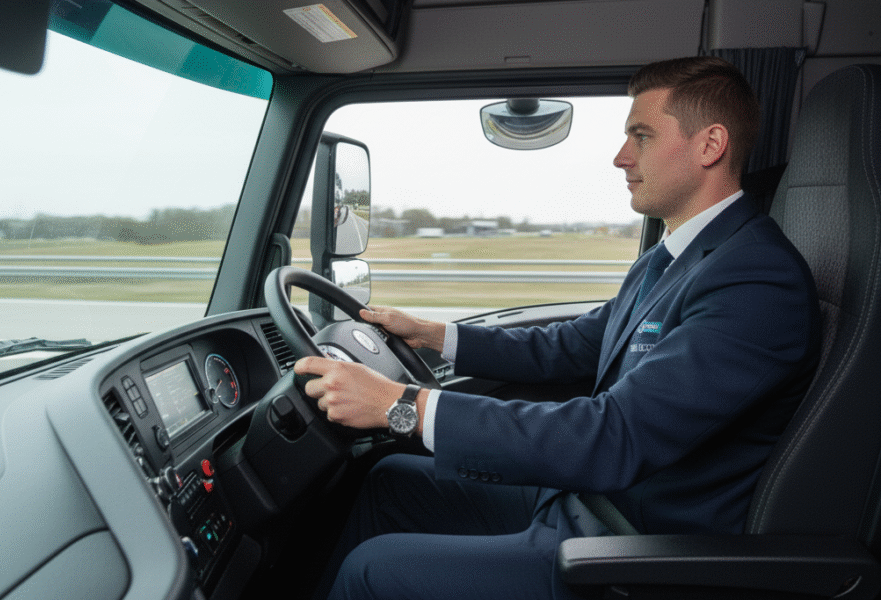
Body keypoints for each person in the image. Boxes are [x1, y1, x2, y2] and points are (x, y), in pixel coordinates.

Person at [294, 56, 822, 600]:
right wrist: (433, 334)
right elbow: (572, 345)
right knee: (389, 481)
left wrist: (400, 404)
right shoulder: (671, 258)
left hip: (635, 550)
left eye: (641, 136)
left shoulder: (756, 281)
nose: (621, 157)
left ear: (710, 145)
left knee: (371, 570)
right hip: (587, 501)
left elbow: (614, 436)